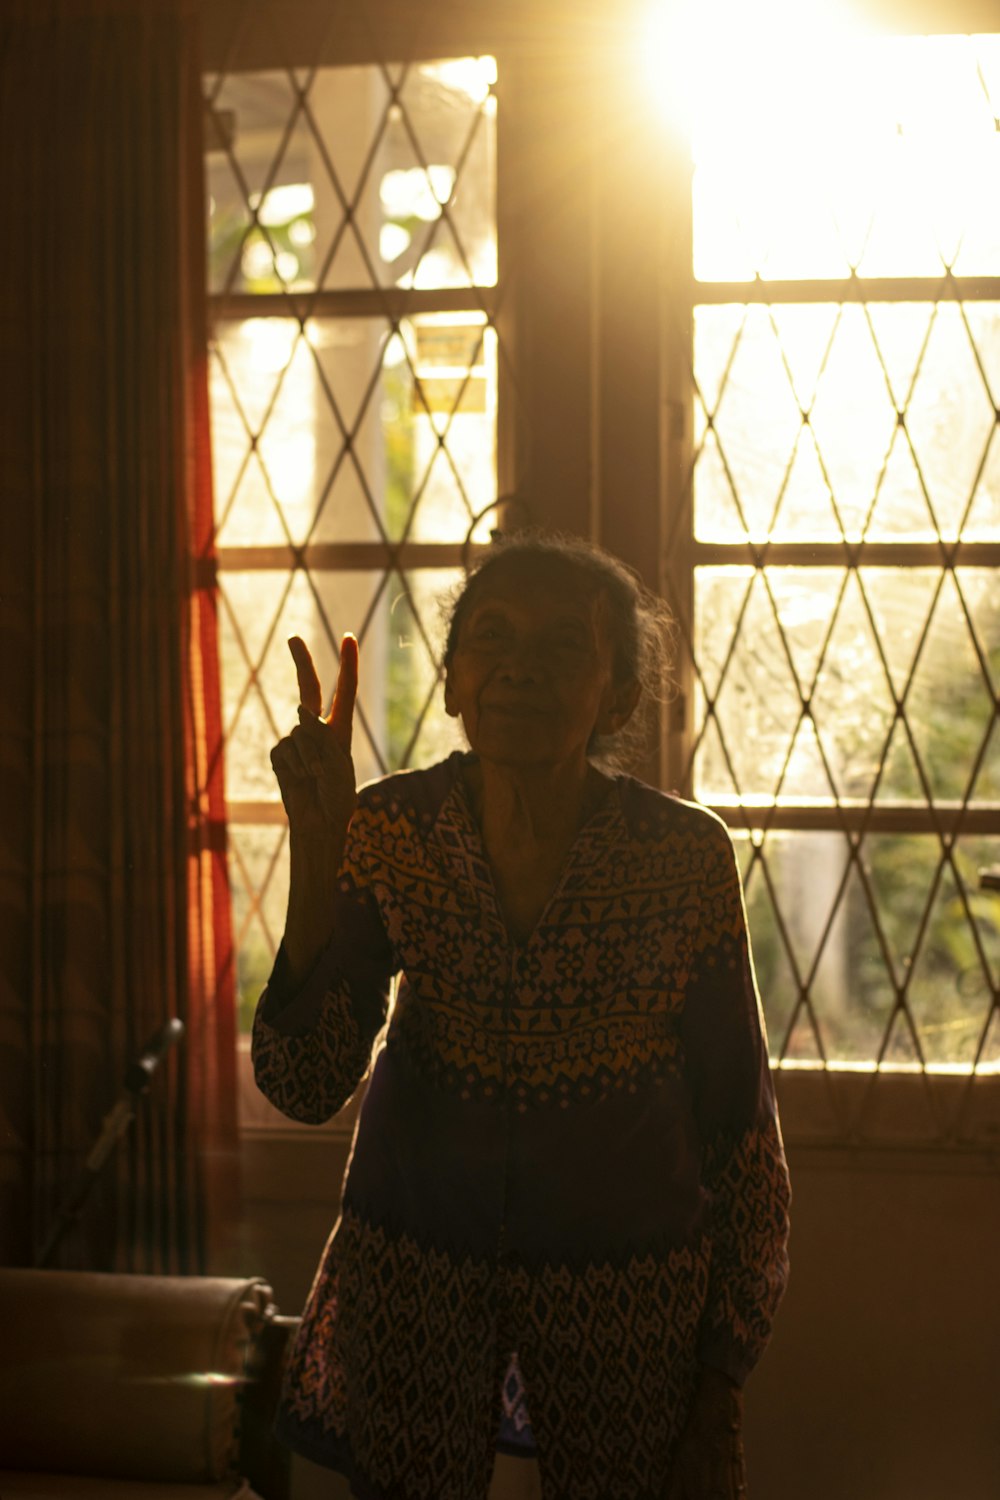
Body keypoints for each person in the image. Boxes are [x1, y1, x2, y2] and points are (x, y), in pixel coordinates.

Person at [253, 534, 791, 1500]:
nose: (519, 669)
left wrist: (723, 1380)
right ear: (455, 683)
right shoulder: (392, 830)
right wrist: (317, 845)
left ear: (619, 695)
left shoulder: (683, 859)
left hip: (629, 1322)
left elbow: (742, 1142)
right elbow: (304, 1081)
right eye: (490, 639)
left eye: (562, 647)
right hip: (416, 1305)